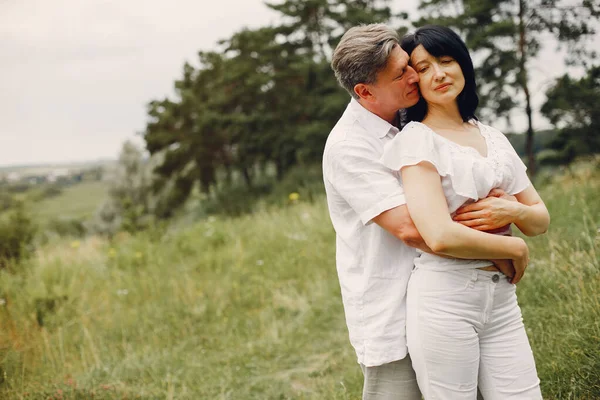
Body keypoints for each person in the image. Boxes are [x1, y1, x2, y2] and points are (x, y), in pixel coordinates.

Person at [323, 23, 515, 400]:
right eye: (401, 73)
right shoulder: (349, 146)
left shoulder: (409, 122)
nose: (415, 75)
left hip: (450, 296)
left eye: (410, 64)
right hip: (392, 311)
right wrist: (504, 246)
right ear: (365, 91)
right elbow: (416, 229)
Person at [380, 25, 550, 399]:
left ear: (463, 65)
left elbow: (540, 218)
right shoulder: (417, 139)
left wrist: (511, 210)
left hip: (502, 298)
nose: (438, 74)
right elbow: (439, 235)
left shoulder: (492, 136)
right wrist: (515, 248)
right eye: (423, 69)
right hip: (445, 300)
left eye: (446, 61)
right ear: (414, 82)